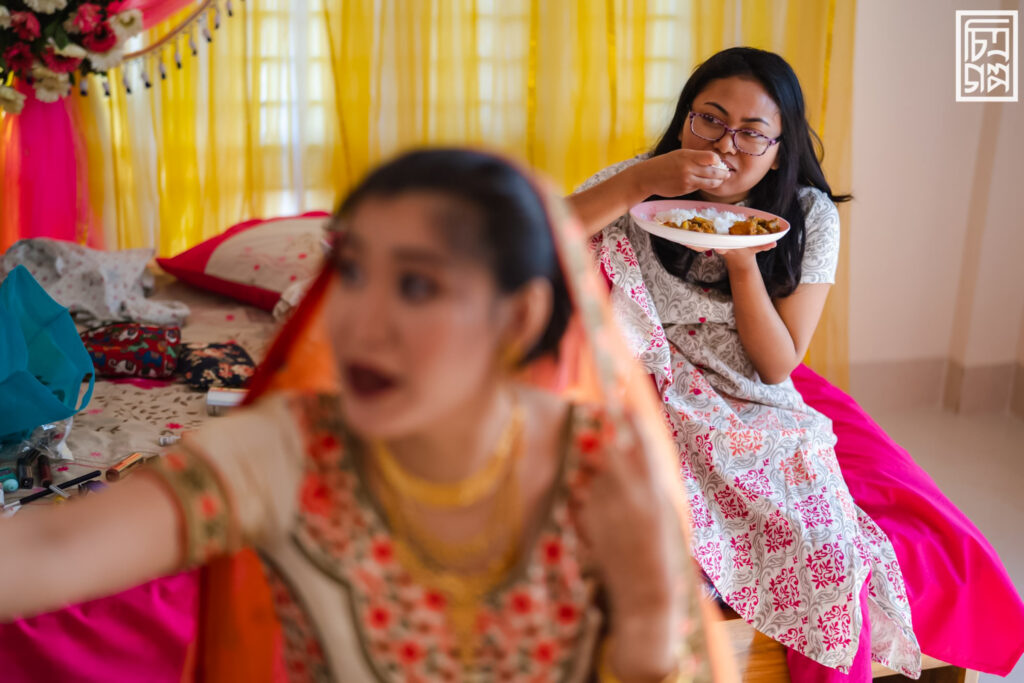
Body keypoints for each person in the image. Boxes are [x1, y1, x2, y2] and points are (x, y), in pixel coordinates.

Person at [0, 149, 730, 683]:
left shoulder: (599, 469)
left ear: (517, 319)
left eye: (416, 285)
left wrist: (646, 616)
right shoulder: (289, 448)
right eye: (350, 271)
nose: (357, 321)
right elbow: (57, 548)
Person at [568, 46, 1024, 681]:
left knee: (819, 539)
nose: (726, 145)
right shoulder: (640, 185)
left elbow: (778, 364)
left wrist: (742, 256)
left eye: (752, 133)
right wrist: (639, 182)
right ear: (685, 119)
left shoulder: (808, 216)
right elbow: (543, 236)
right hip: (648, 368)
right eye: (709, 119)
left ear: (780, 150)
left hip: (752, 386)